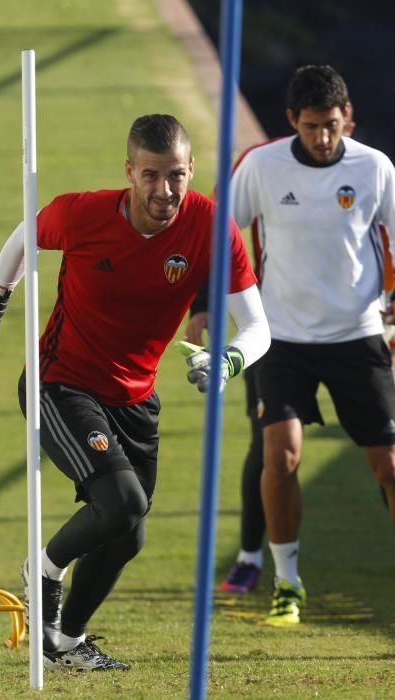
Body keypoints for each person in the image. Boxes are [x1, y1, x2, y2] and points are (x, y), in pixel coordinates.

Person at [0, 114, 271, 670]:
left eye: (176, 175)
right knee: (122, 502)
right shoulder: (81, 214)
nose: (165, 190)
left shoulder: (210, 225)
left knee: (127, 535)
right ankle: (44, 569)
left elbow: (258, 327)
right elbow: (23, 238)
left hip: (136, 397)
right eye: (150, 175)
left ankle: (65, 642)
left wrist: (227, 361)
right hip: (62, 383)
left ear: (191, 169)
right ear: (129, 172)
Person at [187, 64, 395, 627]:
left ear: (347, 116)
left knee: (389, 465)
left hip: (358, 335)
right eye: (310, 127)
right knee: (278, 456)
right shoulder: (260, 166)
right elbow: (219, 238)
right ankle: (286, 584)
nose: (323, 138)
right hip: (279, 338)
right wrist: (200, 304)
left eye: (331, 125)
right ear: (290, 122)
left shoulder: (376, 168)